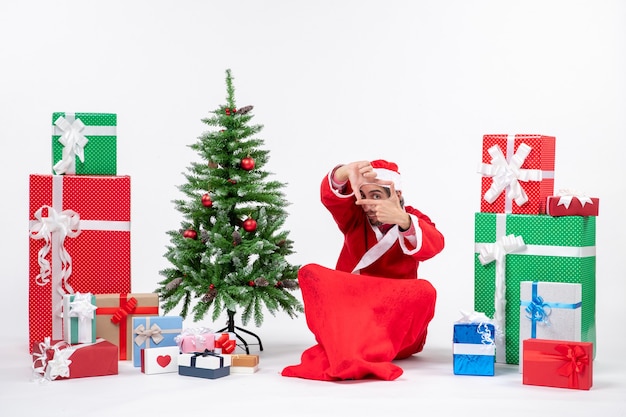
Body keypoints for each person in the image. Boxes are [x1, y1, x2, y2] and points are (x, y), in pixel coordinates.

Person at [281, 159, 445, 381]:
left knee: (425, 290)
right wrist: (345, 172)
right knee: (311, 272)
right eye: (363, 195)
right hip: (355, 307)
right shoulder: (354, 216)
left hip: (390, 314)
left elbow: (434, 244)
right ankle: (355, 346)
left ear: (396, 194)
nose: (368, 204)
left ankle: (360, 347)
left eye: (377, 196)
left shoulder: (412, 218)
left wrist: (404, 221)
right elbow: (330, 197)